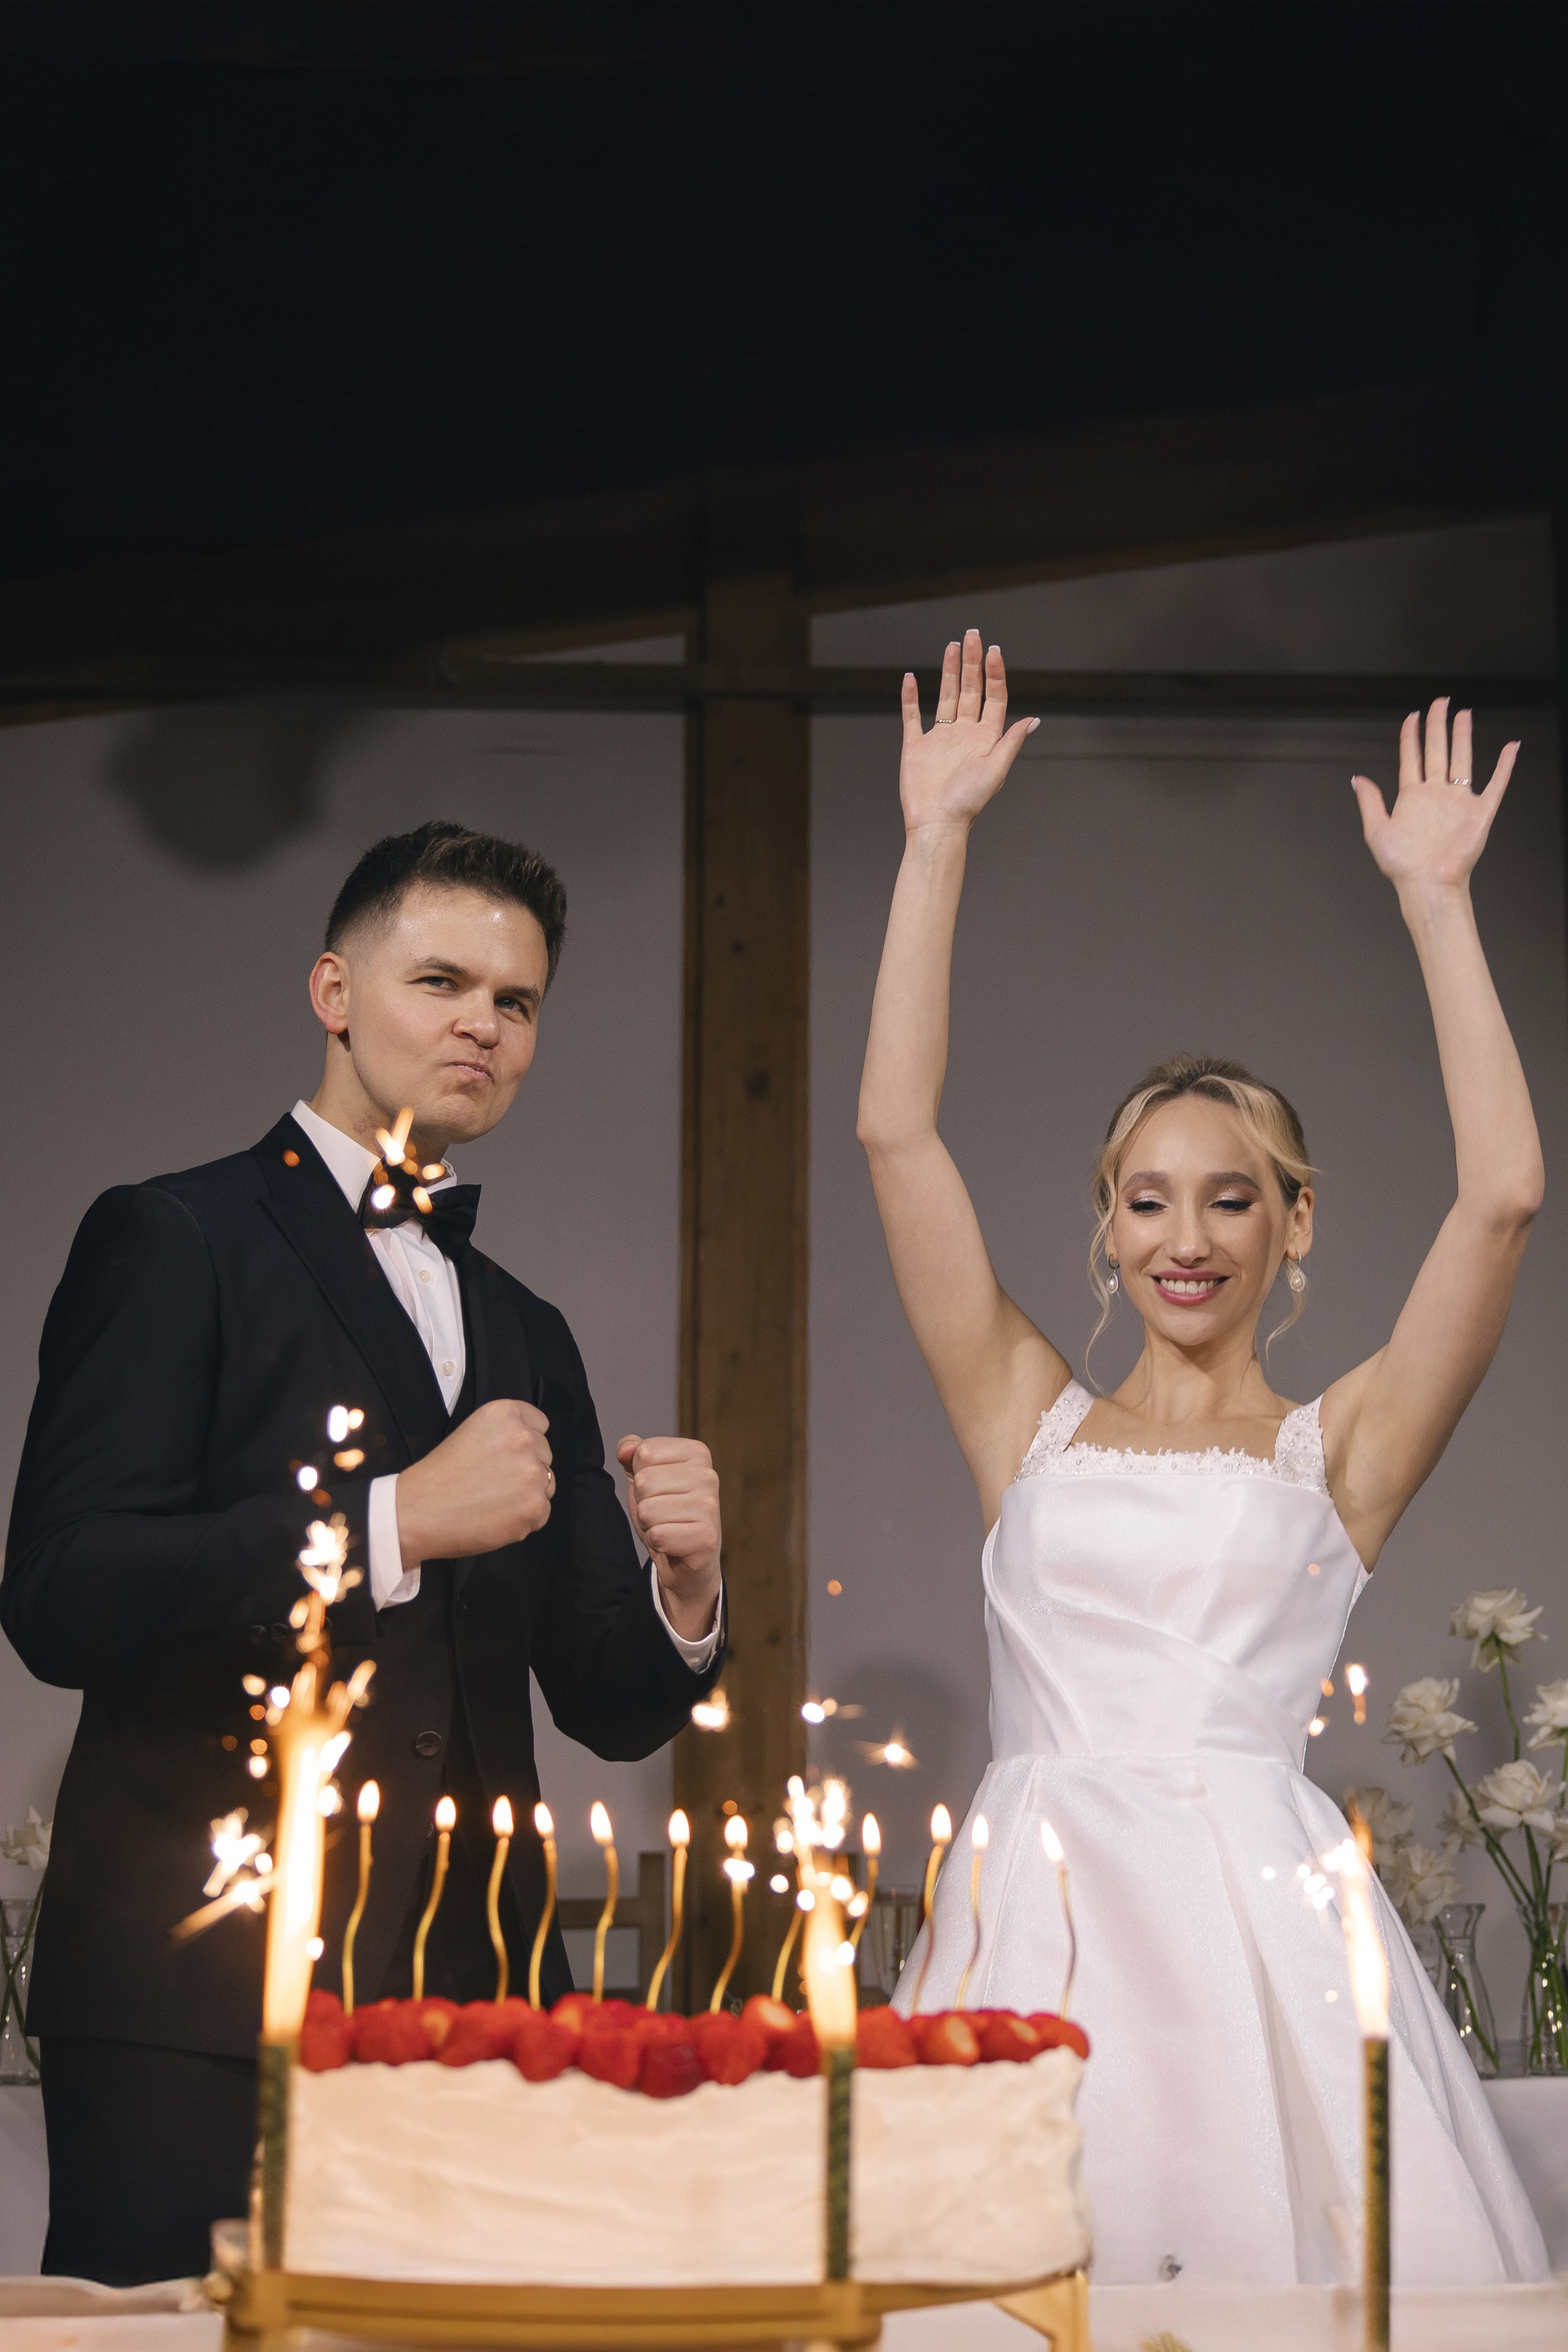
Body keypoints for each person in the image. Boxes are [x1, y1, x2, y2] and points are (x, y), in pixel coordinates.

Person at [856, 633, 1549, 2286]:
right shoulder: (1019, 1409)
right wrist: (933, 842)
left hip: (1262, 1934)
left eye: (1231, 1198)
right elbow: (895, 1131)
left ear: (1293, 1223)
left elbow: (1504, 1197)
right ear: (1107, 1225)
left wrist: (1439, 906)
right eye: (1148, 1200)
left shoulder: (1343, 1451)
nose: (1186, 1238)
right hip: (1033, 1917)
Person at [2, 819, 726, 2285]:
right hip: (196, 1994)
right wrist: (388, 1522)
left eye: (516, 1001)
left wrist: (688, 1592)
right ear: (334, 991)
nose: (482, 1025)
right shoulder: (170, 1236)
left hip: (478, 2003)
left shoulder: (527, 1326)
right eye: (440, 981)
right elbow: (61, 1591)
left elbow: (606, 1699)